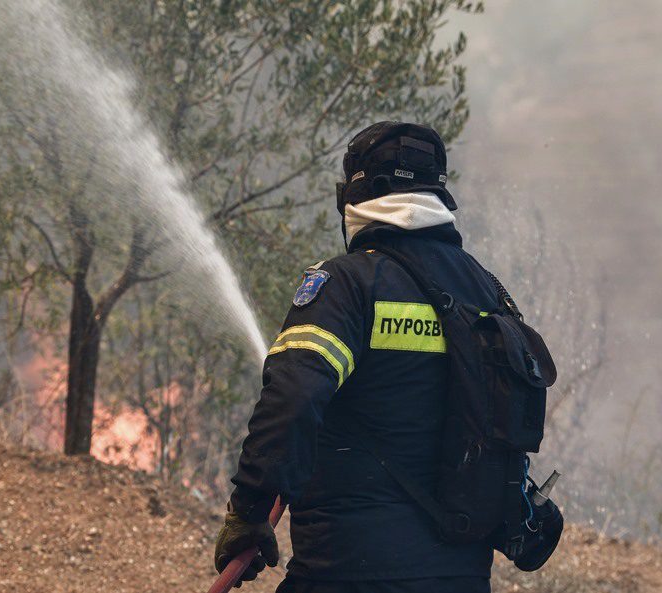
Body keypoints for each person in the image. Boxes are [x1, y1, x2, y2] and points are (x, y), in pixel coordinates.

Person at [214, 121, 508, 593]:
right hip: (462, 575)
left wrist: (248, 511)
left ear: (355, 196)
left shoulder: (348, 284)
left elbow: (294, 395)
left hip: (348, 569)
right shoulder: (487, 292)